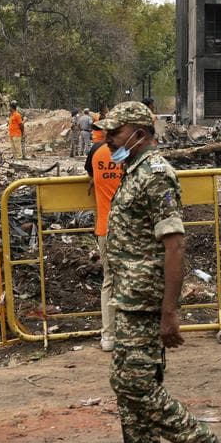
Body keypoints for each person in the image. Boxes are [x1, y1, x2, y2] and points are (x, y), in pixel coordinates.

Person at [92, 101, 219, 443]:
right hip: (129, 297)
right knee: (132, 385)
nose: (109, 138)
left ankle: (196, 436)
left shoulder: (156, 174)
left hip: (146, 300)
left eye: (116, 131)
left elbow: (175, 244)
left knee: (131, 384)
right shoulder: (134, 170)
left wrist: (170, 312)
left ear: (140, 133)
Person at [86, 133, 124, 351]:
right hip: (130, 228)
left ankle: (108, 336)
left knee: (109, 280)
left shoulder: (96, 151)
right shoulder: (128, 154)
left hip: (105, 228)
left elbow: (90, 171)